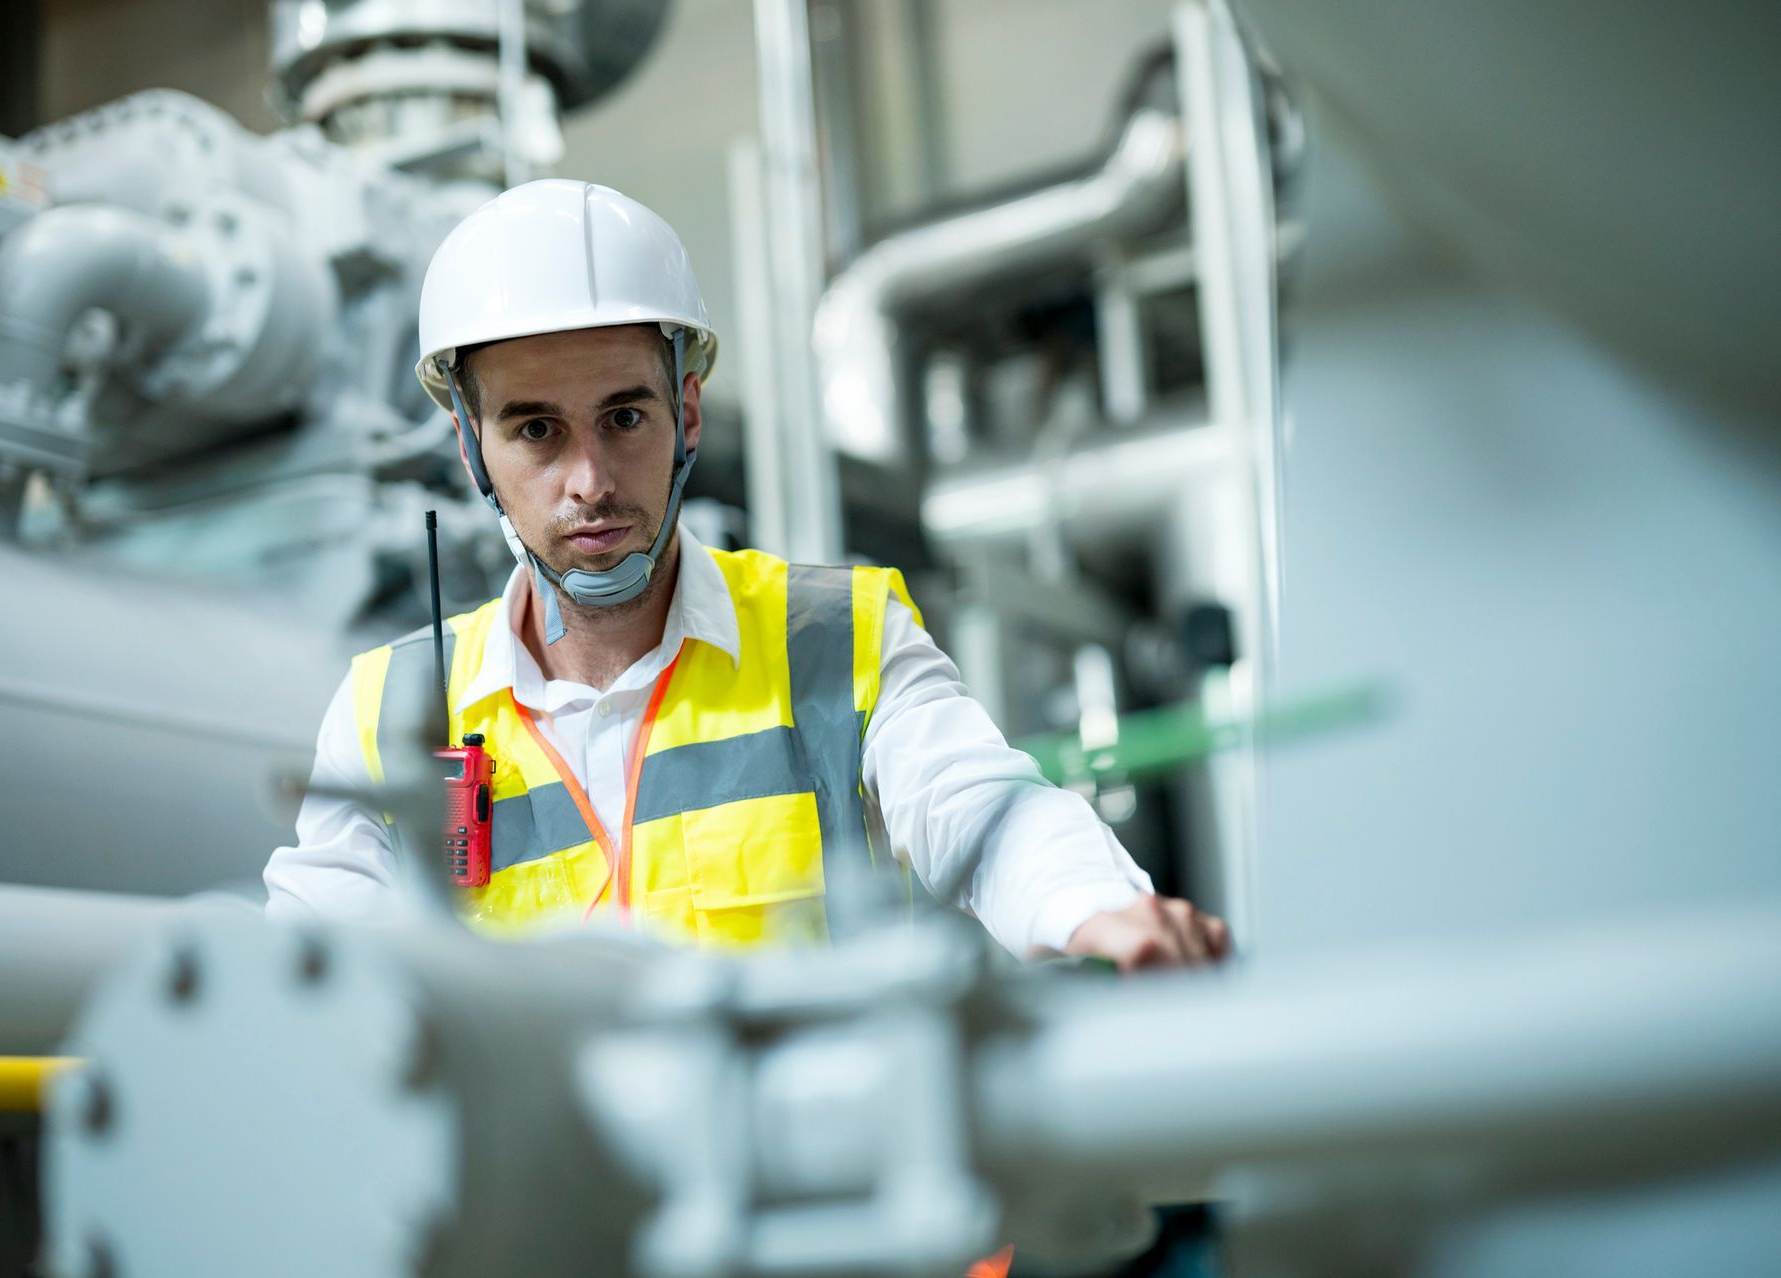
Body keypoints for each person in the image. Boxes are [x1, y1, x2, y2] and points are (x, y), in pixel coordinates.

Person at [264, 179, 1229, 971]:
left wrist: (1098, 913)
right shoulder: (389, 709)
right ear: (471, 445)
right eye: (535, 431)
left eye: (625, 416)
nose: (589, 481)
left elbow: (984, 810)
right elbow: (307, 971)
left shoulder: (836, 637)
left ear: (688, 413)